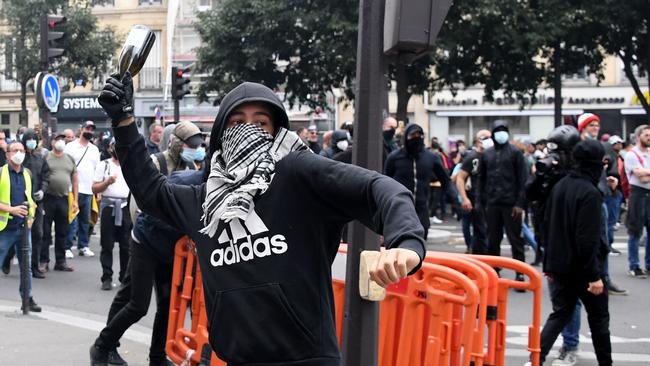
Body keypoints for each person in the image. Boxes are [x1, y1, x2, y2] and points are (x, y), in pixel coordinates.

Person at [93, 76, 425, 366]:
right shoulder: (204, 199)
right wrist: (123, 122)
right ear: (222, 134)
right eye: (236, 122)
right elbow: (151, 190)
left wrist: (405, 242)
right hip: (237, 357)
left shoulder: (299, 173)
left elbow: (378, 188)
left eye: (261, 122)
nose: (248, 130)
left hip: (307, 358)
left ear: (276, 129)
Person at [93, 168, 203, 366]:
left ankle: (157, 357)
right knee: (138, 305)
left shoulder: (215, 192)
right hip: (146, 241)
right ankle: (101, 346)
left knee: (168, 305)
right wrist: (188, 225)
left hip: (170, 250)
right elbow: (151, 211)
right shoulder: (184, 181)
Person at [530, 139, 612, 366]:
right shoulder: (590, 193)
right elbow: (588, 240)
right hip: (584, 270)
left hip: (561, 267)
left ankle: (535, 359)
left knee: (560, 314)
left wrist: (549, 264)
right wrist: (594, 276)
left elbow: (548, 227)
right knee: (599, 322)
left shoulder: (560, 185)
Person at [477, 120, 528, 278]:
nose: (501, 133)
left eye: (503, 130)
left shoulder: (515, 153)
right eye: (497, 130)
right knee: (493, 239)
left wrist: (520, 203)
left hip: (511, 204)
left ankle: (520, 272)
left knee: (516, 239)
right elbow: (481, 179)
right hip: (492, 203)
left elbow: (523, 180)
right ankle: (494, 271)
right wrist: (480, 202)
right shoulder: (487, 154)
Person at [385, 123, 449, 240]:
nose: (416, 138)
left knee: (420, 243)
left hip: (421, 209)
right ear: (406, 137)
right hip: (399, 209)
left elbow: (445, 180)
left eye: (419, 135)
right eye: (412, 135)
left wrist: (457, 202)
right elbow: (385, 182)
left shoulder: (430, 157)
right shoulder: (394, 157)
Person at [0, 142, 41, 312]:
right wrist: (11, 210)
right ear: (8, 154)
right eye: (15, 150)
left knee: (26, 266)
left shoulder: (27, 173)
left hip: (23, 228)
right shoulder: (1, 173)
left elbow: (30, 199)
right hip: (4, 228)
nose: (19, 153)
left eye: (21, 150)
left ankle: (27, 298)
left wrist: (31, 217)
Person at [93, 139, 131, 290]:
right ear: (110, 148)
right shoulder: (104, 165)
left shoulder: (130, 165)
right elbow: (95, 188)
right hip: (109, 206)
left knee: (126, 245)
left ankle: (124, 277)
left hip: (126, 206)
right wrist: (107, 182)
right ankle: (106, 277)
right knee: (107, 244)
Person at [41, 133, 78, 272]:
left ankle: (60, 261)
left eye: (63, 139)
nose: (60, 142)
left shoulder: (69, 158)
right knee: (45, 232)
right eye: (58, 139)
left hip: (64, 198)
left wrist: (75, 200)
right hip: (48, 198)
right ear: (52, 143)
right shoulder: (46, 157)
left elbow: (75, 179)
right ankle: (43, 261)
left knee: (62, 231)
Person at [64, 120, 100, 258]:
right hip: (72, 189)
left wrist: (97, 191)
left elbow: (96, 170)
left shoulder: (94, 149)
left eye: (92, 129)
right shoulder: (70, 147)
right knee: (72, 220)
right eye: (88, 128)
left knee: (85, 221)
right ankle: (67, 247)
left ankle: (83, 246)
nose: (90, 131)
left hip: (88, 190)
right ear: (81, 130)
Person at [456, 130, 491, 254]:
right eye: (485, 138)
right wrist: (464, 198)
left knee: (486, 232)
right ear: (478, 140)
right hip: (475, 199)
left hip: (489, 200)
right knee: (480, 231)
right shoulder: (472, 157)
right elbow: (460, 177)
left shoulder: (491, 155)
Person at [624, 124, 650, 278]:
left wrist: (645, 174)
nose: (649, 138)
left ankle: (648, 263)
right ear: (639, 136)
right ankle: (634, 265)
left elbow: (645, 175)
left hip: (648, 193)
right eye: (646, 135)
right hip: (638, 194)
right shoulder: (631, 154)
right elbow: (640, 176)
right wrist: (644, 174)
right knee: (635, 231)